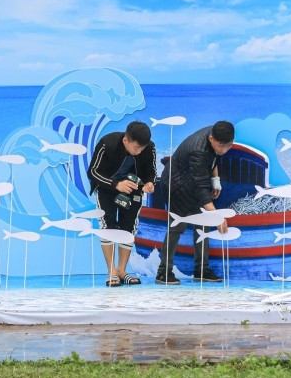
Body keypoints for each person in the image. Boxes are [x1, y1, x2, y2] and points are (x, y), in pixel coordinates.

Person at [154, 120, 234, 285]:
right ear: (211, 139)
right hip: (176, 186)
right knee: (177, 228)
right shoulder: (199, 151)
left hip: (193, 181)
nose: (224, 150)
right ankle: (163, 272)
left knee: (203, 225)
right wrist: (217, 217)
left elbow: (213, 159)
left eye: (228, 146)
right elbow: (201, 190)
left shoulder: (214, 134)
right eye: (221, 146)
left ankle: (201, 270)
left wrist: (216, 179)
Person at [88, 121, 156, 287]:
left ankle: (121, 270)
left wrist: (149, 184)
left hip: (133, 190)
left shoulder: (149, 148)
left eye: (142, 148)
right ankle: (111, 271)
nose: (139, 152)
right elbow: (93, 172)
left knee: (129, 227)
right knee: (108, 226)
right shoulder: (108, 143)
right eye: (136, 148)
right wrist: (115, 185)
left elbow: (151, 172)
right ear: (126, 140)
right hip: (107, 187)